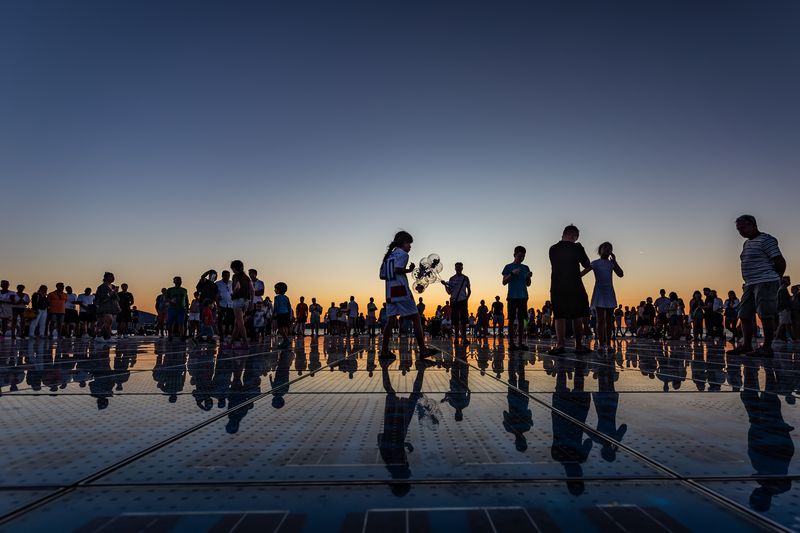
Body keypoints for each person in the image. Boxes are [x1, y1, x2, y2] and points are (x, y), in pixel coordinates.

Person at [728, 215, 786, 357]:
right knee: (744, 314)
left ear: (753, 225)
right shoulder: (747, 244)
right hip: (750, 284)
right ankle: (746, 345)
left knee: (765, 314)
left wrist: (775, 279)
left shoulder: (767, 240)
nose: (741, 231)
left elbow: (779, 261)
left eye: (743, 228)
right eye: (738, 229)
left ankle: (767, 347)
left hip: (765, 281)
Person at [379, 231, 438, 359]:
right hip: (401, 291)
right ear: (403, 243)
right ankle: (423, 350)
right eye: (409, 243)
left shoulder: (388, 256)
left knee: (391, 320)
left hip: (389, 292)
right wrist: (409, 270)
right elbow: (397, 269)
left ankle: (384, 351)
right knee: (416, 318)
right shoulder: (403, 255)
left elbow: (382, 275)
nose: (410, 247)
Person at [548, 225, 592, 355]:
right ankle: (578, 346)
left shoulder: (553, 248)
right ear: (574, 236)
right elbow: (587, 264)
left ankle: (560, 345)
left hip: (557, 285)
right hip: (575, 285)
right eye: (576, 236)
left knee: (559, 315)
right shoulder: (577, 247)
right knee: (577, 315)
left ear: (563, 234)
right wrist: (581, 249)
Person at [582, 242, 624, 353]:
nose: (607, 249)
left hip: (609, 291)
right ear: (600, 250)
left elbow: (621, 274)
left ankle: (608, 344)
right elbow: (583, 273)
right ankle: (601, 344)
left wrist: (615, 261)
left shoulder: (611, 263)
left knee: (609, 320)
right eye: (605, 247)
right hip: (600, 292)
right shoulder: (595, 263)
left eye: (609, 248)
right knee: (600, 319)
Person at [442, 262, 471, 345]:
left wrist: (466, 299)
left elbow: (469, 290)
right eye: (457, 268)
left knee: (464, 321)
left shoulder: (465, 278)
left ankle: (464, 338)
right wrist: (445, 285)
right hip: (454, 301)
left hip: (463, 301)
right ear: (455, 268)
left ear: (462, 268)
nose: (458, 269)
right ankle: (456, 338)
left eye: (459, 267)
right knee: (455, 321)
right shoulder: (451, 279)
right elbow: (449, 292)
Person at [229, 260, 252, 349]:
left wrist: (233, 294)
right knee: (237, 323)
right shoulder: (246, 277)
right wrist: (250, 302)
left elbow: (237, 286)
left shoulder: (236, 276)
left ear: (234, 268)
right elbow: (252, 290)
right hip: (246, 301)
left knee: (240, 323)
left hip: (238, 300)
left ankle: (245, 343)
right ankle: (231, 343)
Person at [95, 273, 119, 342]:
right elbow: (102, 297)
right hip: (104, 306)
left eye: (113, 277)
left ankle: (100, 336)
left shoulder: (112, 286)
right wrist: (112, 292)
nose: (113, 278)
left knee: (103, 322)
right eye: (111, 277)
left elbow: (115, 298)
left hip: (111, 306)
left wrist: (115, 293)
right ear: (106, 278)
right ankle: (107, 337)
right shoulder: (102, 286)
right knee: (108, 321)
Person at [165, 277, 189, 341]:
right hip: (172, 309)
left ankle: (182, 336)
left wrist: (187, 308)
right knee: (170, 323)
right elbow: (166, 299)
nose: (179, 282)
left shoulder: (184, 290)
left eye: (180, 281)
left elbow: (186, 299)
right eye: (177, 281)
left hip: (181, 309)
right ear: (174, 282)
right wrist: (171, 301)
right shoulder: (170, 290)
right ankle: (170, 336)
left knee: (181, 323)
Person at [216, 270, 234, 339]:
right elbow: (216, 295)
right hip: (222, 304)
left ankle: (229, 334)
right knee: (220, 321)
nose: (227, 277)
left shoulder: (232, 283)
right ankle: (221, 335)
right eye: (226, 275)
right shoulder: (218, 283)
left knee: (231, 320)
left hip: (230, 304)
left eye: (228, 275)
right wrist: (218, 305)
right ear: (222, 276)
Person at [273, 282, 292, 349]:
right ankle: (285, 341)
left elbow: (276, 307)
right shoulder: (286, 297)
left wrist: (274, 314)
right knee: (284, 327)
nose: (274, 290)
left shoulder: (276, 298)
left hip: (280, 314)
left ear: (279, 290)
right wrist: (290, 315)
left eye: (275, 289)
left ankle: (286, 340)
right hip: (286, 314)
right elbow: (289, 306)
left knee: (280, 328)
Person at [776, 277, 793, 343]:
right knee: (782, 324)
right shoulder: (783, 289)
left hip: (784, 309)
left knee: (786, 324)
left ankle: (789, 337)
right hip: (784, 309)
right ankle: (777, 338)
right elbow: (783, 301)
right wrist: (787, 307)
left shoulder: (783, 288)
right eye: (788, 280)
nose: (789, 282)